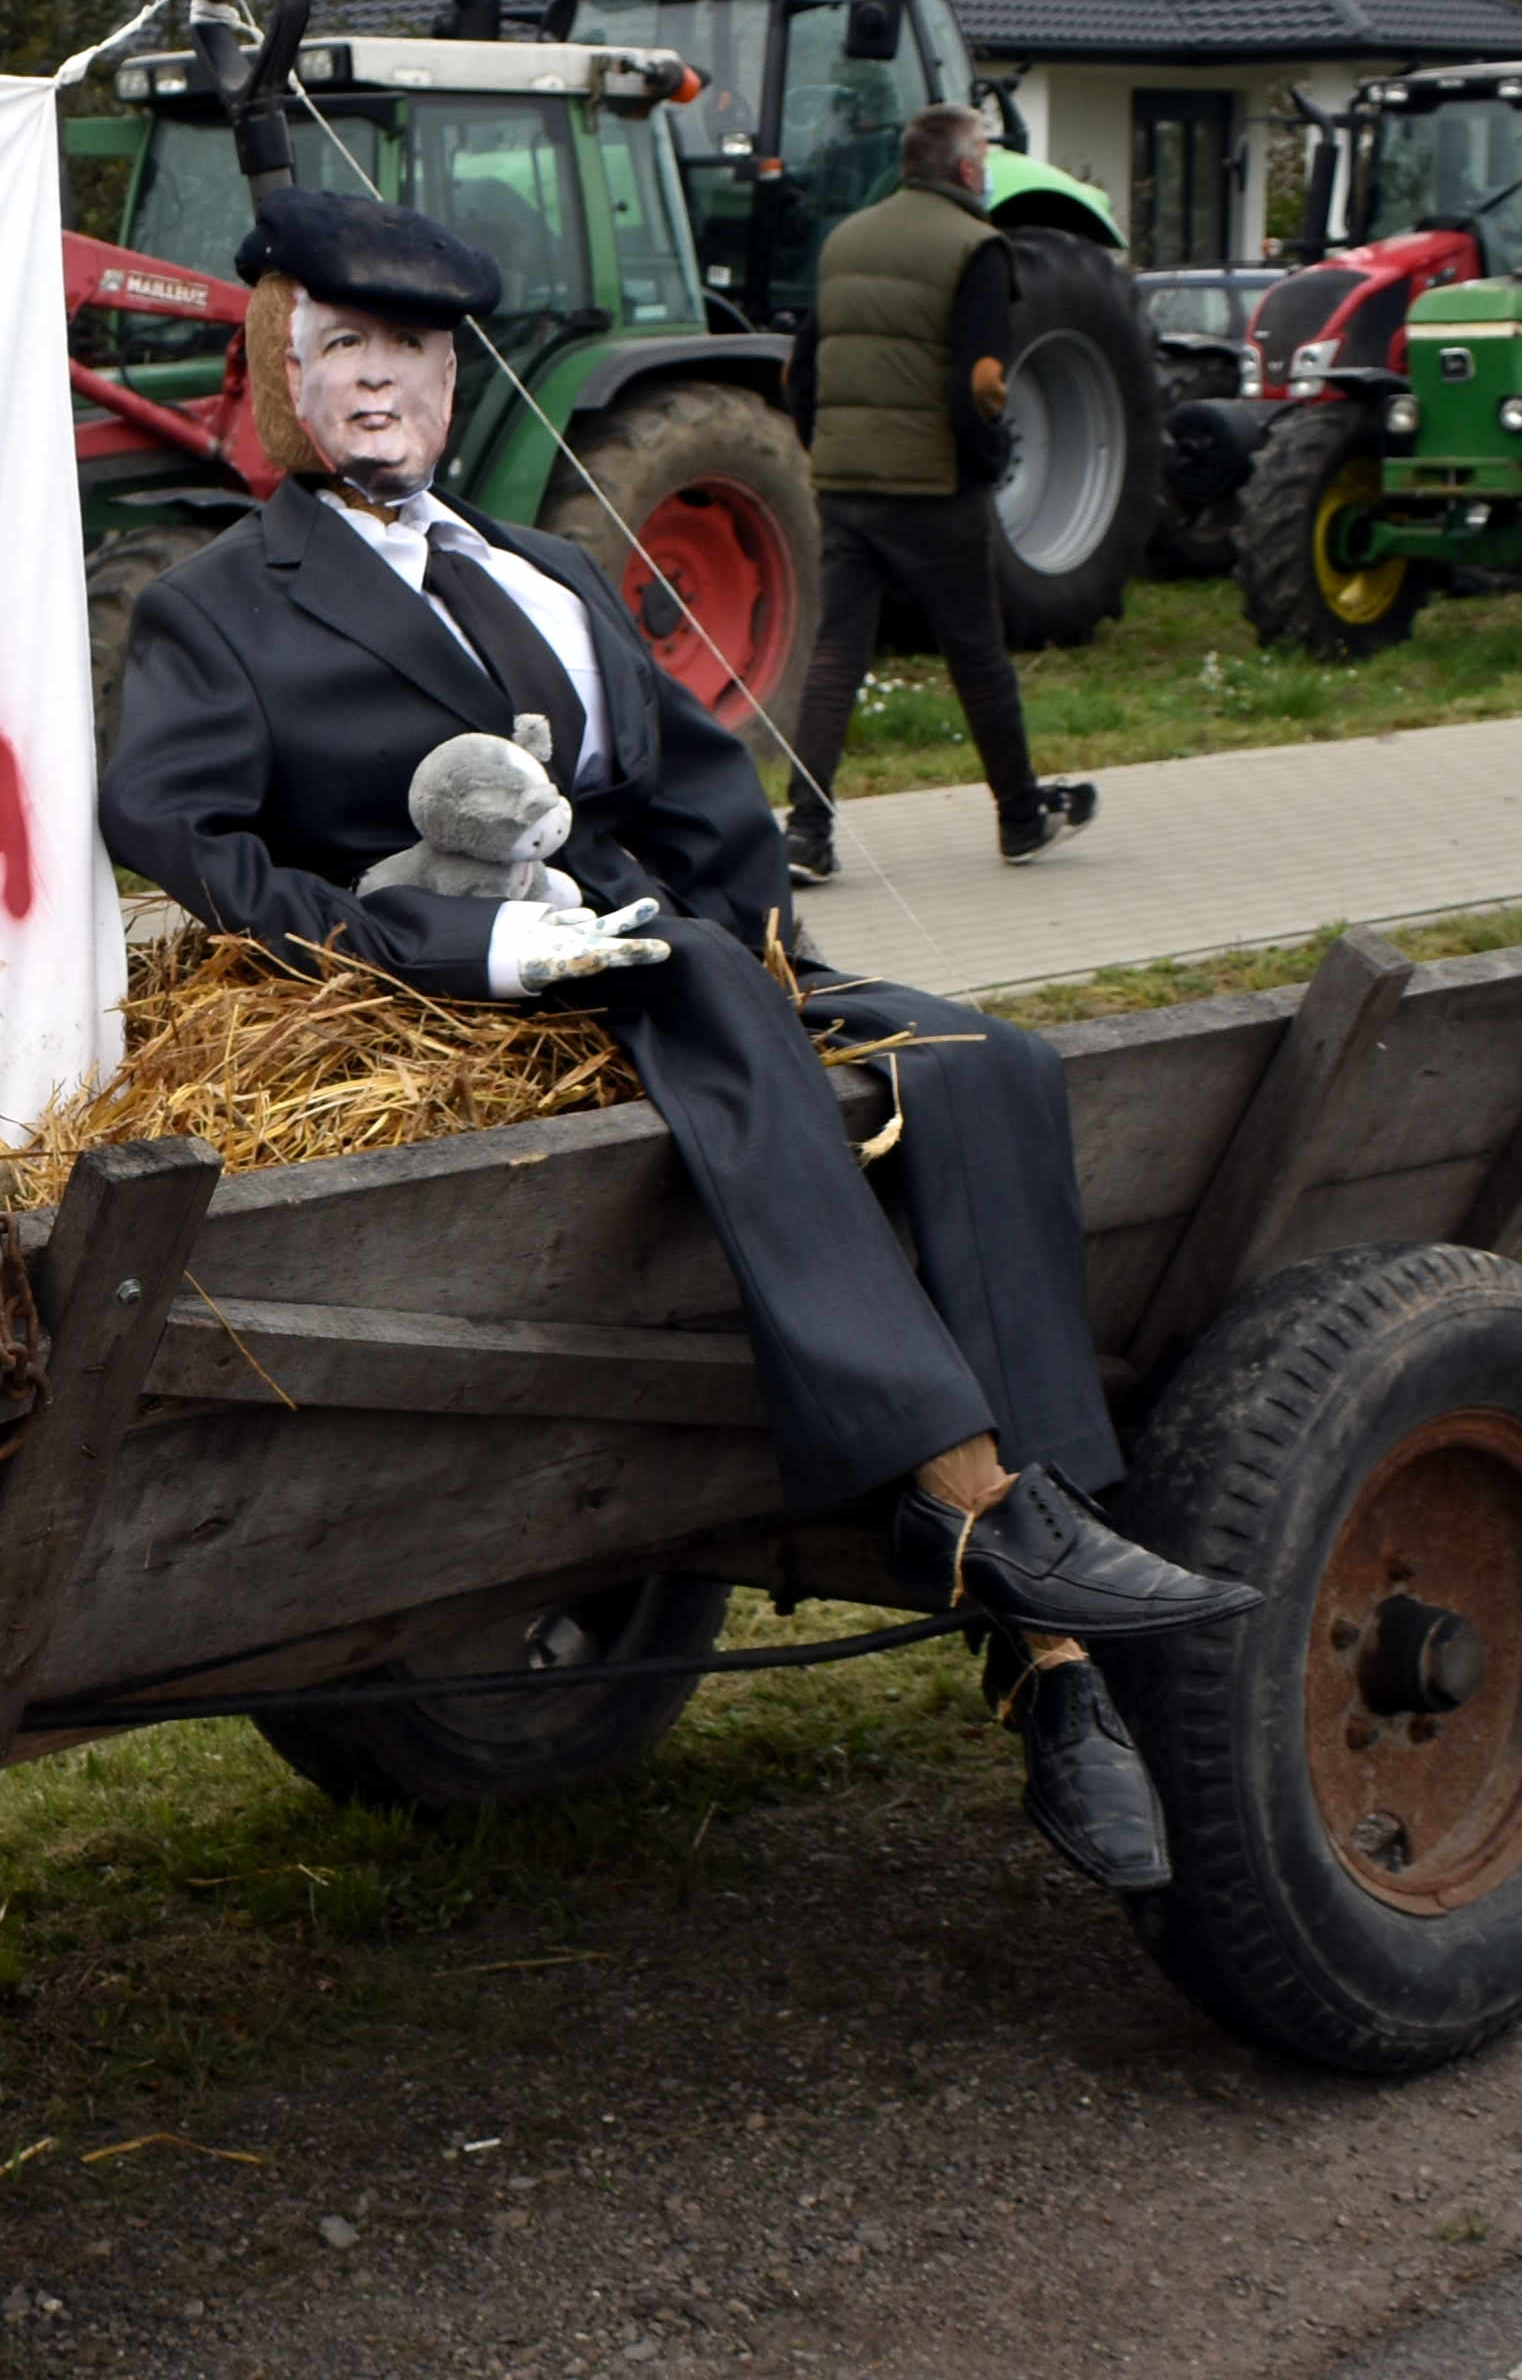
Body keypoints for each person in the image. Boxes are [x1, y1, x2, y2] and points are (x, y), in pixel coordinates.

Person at [99, 193, 1254, 1891]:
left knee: (974, 1057)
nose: (377, 383)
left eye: (410, 348)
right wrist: (460, 938)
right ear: (278, 370)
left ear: (452, 373)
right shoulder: (226, 604)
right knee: (698, 984)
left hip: (657, 944)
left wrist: (788, 961)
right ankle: (989, 1529)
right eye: (338, 345)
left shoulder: (548, 569)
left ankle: (1040, 1630)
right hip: (451, 978)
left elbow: (695, 795)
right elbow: (182, 838)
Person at [780, 104, 1100, 885]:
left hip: (847, 484)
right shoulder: (977, 247)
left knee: (835, 658)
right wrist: (986, 459)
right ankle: (1021, 820)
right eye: (983, 157)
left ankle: (806, 833)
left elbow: (800, 373)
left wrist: (828, 448)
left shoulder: (846, 239)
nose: (986, 170)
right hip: (933, 487)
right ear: (963, 170)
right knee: (976, 655)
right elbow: (984, 381)